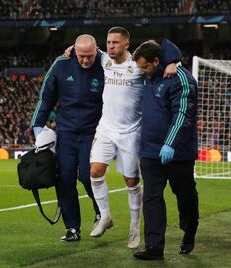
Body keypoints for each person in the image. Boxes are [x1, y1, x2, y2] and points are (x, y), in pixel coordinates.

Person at [88, 26, 181, 249]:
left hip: (131, 131)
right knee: (94, 171)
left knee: (131, 182)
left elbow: (165, 48)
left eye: (115, 43)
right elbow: (86, 46)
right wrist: (71, 48)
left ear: (126, 45)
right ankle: (105, 216)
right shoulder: (103, 60)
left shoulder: (137, 66)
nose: (110, 46)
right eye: (109, 42)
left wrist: (173, 62)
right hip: (106, 128)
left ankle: (134, 227)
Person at [31, 34, 104, 242]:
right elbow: (46, 97)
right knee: (65, 180)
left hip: (94, 131)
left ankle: (101, 211)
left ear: (97, 51)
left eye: (89, 56)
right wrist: (37, 126)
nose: (85, 60)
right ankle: (73, 228)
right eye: (81, 56)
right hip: (67, 132)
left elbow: (127, 59)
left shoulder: (106, 63)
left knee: (88, 175)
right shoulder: (61, 64)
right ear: (74, 52)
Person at [132, 40, 199, 260]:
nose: (142, 72)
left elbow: (182, 114)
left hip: (178, 152)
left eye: (146, 67)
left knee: (185, 195)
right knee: (151, 197)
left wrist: (169, 142)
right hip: (150, 152)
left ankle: (189, 230)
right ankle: (154, 247)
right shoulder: (148, 77)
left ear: (157, 61)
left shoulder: (181, 78)